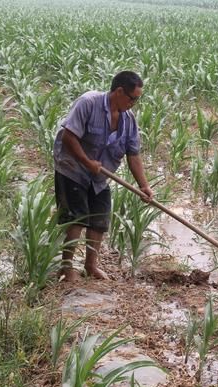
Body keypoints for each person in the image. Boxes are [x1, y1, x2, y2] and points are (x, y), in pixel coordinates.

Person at [53, 71, 153, 282]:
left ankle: (91, 266)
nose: (134, 103)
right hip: (73, 168)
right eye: (132, 98)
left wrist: (144, 186)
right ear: (119, 91)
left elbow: (133, 155)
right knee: (76, 217)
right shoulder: (88, 103)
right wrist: (87, 162)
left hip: (99, 177)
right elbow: (69, 136)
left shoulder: (128, 120)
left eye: (137, 99)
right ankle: (67, 268)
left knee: (99, 219)